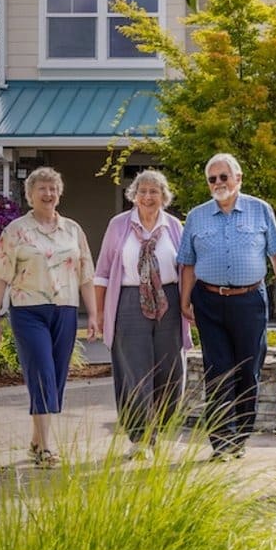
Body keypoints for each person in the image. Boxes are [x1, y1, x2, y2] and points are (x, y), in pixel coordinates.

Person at [177, 153, 276, 459]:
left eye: (223, 177)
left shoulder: (260, 210)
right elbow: (188, 264)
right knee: (217, 372)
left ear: (238, 178)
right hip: (209, 302)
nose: (218, 183)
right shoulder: (196, 216)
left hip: (249, 301)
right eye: (212, 179)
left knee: (248, 370)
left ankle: (240, 439)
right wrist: (185, 299)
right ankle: (221, 442)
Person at [0, 166, 97, 468]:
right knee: (42, 372)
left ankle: (35, 440)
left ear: (59, 194)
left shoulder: (73, 230)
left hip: (67, 309)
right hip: (27, 310)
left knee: (57, 376)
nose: (48, 194)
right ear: (30, 194)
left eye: (52, 188)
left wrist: (94, 315)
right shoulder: (15, 231)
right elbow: (1, 277)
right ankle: (47, 448)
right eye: (42, 189)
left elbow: (86, 274)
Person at [91, 169, 187, 453]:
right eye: (142, 191)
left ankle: (157, 427)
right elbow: (103, 273)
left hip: (168, 301)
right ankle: (139, 438)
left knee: (171, 370)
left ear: (163, 196)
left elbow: (187, 268)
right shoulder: (118, 225)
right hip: (129, 301)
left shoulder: (174, 226)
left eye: (154, 191)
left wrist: (188, 303)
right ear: (134, 195)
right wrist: (97, 314)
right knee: (134, 370)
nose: (148, 196)